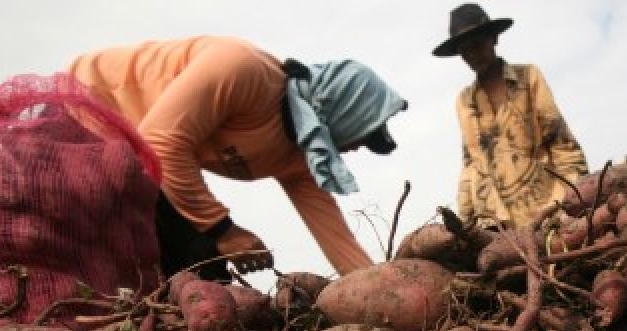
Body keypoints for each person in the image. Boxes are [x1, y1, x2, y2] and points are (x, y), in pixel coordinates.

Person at [69, 36, 407, 280]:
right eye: (366, 134)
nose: (360, 147)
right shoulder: (243, 68)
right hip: (87, 109)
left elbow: (337, 238)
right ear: (343, 111)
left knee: (203, 269)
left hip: (143, 158)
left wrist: (378, 287)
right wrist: (225, 231)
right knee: (197, 264)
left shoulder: (300, 159)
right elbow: (160, 142)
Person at [434, 4, 588, 230]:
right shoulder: (464, 101)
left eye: (478, 44)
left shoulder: (528, 77)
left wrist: (574, 200)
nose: (473, 55)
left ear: (494, 38)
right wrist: (465, 225)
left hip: (547, 211)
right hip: (495, 224)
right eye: (465, 50)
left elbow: (560, 142)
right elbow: (471, 164)